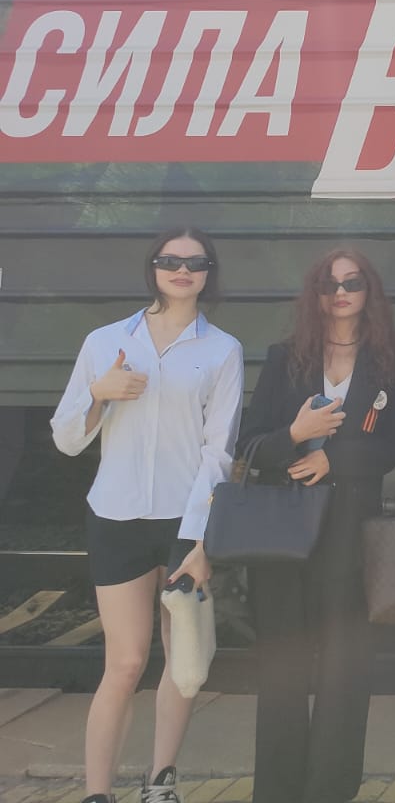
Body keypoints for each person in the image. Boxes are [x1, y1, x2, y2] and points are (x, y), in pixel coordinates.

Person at [51, 228, 243, 803]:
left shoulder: (222, 350)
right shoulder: (106, 342)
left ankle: (161, 781)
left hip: (185, 521)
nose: (182, 269)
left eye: (195, 262)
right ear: (153, 268)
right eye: (170, 260)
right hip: (116, 514)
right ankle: (98, 792)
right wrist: (99, 392)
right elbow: (66, 439)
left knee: (183, 659)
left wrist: (200, 539)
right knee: (126, 662)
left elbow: (219, 452)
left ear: (209, 272)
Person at [237, 248, 395, 803]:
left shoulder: (389, 362)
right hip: (283, 531)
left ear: (369, 291)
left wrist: (333, 458)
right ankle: (277, 791)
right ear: (314, 294)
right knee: (282, 667)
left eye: (352, 282)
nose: (341, 292)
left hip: (351, 533)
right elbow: (249, 445)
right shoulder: (284, 357)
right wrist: (296, 434)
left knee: (345, 669)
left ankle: (330, 790)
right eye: (329, 284)